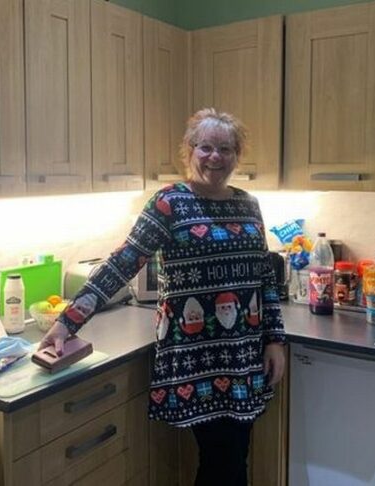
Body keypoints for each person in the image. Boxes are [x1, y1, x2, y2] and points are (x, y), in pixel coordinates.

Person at [40, 108, 286, 486]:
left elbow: (264, 279)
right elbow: (122, 263)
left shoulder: (248, 205)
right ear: (189, 151)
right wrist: (66, 322)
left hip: (241, 355)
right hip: (193, 357)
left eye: (225, 148)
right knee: (226, 462)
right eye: (205, 147)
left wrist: (275, 341)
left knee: (232, 458)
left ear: (238, 155)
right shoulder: (169, 203)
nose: (215, 157)